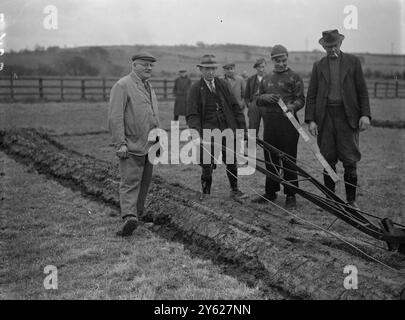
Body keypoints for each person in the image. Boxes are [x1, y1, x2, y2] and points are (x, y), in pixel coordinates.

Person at [305, 30, 371, 208]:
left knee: (350, 159)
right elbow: (311, 95)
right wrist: (311, 119)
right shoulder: (318, 65)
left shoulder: (353, 62)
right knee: (327, 158)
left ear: (340, 44)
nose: (332, 49)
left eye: (334, 45)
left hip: (348, 117)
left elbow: (362, 91)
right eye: (328, 47)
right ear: (323, 47)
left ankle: (351, 201)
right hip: (325, 117)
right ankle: (331, 200)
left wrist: (365, 114)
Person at [108, 52, 160, 236]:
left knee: (145, 183)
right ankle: (129, 217)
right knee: (130, 182)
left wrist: (158, 141)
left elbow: (153, 115)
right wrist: (120, 143)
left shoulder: (148, 87)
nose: (149, 68)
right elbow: (115, 117)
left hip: (149, 144)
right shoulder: (123, 85)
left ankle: (137, 216)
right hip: (130, 144)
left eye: (151, 65)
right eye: (144, 65)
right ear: (134, 66)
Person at [187, 54, 248, 201]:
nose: (210, 72)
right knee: (207, 164)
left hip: (227, 129)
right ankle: (206, 194)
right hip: (207, 132)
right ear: (201, 70)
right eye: (207, 69)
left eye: (213, 69)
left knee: (232, 160)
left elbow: (235, 107)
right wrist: (196, 133)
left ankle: (234, 190)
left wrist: (242, 130)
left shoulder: (223, 85)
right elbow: (192, 114)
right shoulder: (196, 88)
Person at [253, 45, 305, 208]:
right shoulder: (266, 78)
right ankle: (270, 192)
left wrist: (292, 106)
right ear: (272, 60)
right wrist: (265, 97)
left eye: (283, 60)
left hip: (289, 125)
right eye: (277, 61)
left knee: (289, 159)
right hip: (270, 125)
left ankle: (290, 194)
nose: (281, 64)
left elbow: (301, 99)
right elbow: (257, 98)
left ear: (287, 58)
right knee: (270, 159)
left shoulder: (295, 77)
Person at [244, 58, 267, 136]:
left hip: (266, 105)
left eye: (263, 67)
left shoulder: (269, 78)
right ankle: (251, 146)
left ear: (265, 67)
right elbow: (246, 95)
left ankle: (267, 147)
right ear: (256, 68)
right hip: (254, 105)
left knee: (268, 127)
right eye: (259, 67)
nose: (261, 69)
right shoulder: (251, 79)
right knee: (252, 127)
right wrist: (249, 105)